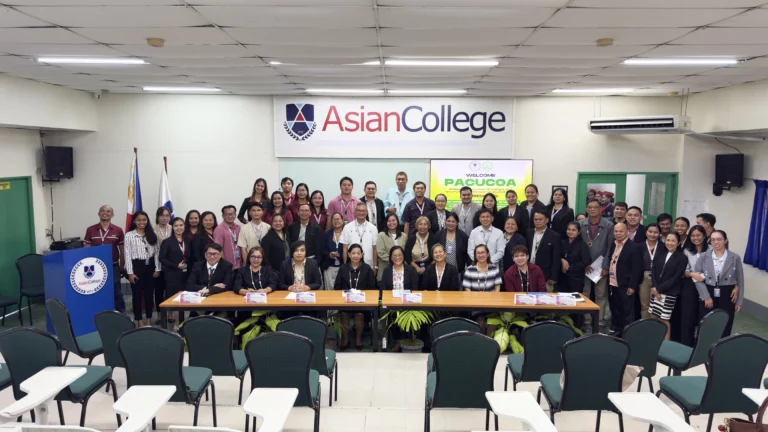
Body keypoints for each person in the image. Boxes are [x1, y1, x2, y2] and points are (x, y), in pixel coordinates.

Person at [693, 230, 744, 337]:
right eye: (713, 240)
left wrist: (739, 301)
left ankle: (722, 344)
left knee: (726, 321)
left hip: (728, 293)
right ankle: (704, 344)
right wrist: (706, 297)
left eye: (719, 239)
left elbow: (740, 279)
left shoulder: (735, 257)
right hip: (708, 291)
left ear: (725, 240)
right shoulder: (704, 256)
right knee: (706, 322)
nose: (716, 242)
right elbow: (697, 278)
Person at [334, 243, 377, 350]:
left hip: (362, 303)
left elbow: (372, 287)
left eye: (358, 253)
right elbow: (337, 287)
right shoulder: (343, 268)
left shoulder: (367, 268)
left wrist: (361, 294)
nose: (356, 256)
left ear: (362, 255)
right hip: (345, 302)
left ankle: (358, 339)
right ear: (348, 254)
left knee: (359, 315)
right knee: (344, 314)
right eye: (353, 253)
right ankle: (345, 340)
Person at [83, 205, 126, 313]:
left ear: (112, 214)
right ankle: (99, 314)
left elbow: (122, 250)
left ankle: (121, 314)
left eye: (108, 211)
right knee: (98, 290)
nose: (105, 213)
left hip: (113, 266)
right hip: (95, 267)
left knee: (116, 292)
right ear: (98, 213)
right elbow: (87, 249)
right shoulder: (90, 229)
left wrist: (122, 266)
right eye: (103, 211)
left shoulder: (118, 230)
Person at [579, 199, 614, 330]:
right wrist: (583, 263)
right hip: (585, 266)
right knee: (585, 293)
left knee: (600, 294)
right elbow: (578, 245)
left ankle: (599, 320)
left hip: (600, 266)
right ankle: (587, 319)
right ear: (586, 209)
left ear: (600, 209)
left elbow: (610, 247)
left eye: (595, 207)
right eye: (590, 207)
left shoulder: (609, 225)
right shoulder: (581, 224)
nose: (592, 209)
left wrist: (605, 266)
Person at [603, 223, 643, 337]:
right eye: (616, 231)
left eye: (621, 231)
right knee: (615, 309)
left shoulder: (633, 247)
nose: (618, 233)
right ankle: (617, 331)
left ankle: (627, 335)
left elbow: (637, 269)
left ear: (627, 232)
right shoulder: (613, 244)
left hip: (625, 284)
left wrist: (632, 286)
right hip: (612, 282)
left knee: (627, 311)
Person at [124, 210, 161, 326]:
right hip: (136, 267)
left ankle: (148, 320)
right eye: (139, 220)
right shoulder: (129, 235)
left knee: (149, 295)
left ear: (147, 221)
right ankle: (139, 321)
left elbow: (157, 253)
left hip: (150, 267)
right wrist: (130, 273)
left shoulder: (153, 234)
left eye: (144, 220)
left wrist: (157, 269)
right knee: (137, 296)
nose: (142, 222)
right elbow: (127, 255)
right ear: (134, 221)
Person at [380, 245, 419, 352]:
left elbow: (415, 288)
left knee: (408, 314)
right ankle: (398, 341)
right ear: (391, 257)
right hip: (391, 304)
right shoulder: (387, 271)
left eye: (399, 255)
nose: (397, 257)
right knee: (390, 315)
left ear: (403, 256)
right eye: (394, 255)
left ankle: (406, 339)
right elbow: (383, 288)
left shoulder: (411, 270)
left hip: (408, 303)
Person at [650, 232, 688, 340]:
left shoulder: (682, 257)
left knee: (664, 318)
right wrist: (655, 287)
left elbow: (676, 277)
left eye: (673, 241)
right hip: (655, 290)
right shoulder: (660, 254)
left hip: (669, 292)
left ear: (678, 243)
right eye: (668, 240)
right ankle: (656, 339)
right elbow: (654, 271)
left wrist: (658, 289)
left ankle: (666, 343)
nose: (670, 243)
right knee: (654, 316)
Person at [678, 225, 709, 346]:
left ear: (704, 236)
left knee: (704, 317)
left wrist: (703, 276)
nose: (696, 238)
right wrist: (692, 274)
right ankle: (686, 345)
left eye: (698, 235)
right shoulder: (686, 251)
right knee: (688, 317)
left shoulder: (711, 250)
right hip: (689, 286)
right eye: (693, 235)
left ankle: (701, 345)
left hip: (707, 286)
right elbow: (683, 272)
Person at [463, 244, 503, 333]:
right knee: (480, 322)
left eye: (483, 252)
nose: (480, 255)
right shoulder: (470, 270)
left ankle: (488, 340)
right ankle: (481, 340)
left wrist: (493, 300)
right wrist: (475, 300)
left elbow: (497, 287)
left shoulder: (494, 269)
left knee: (493, 323)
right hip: (475, 304)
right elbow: (467, 289)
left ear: (487, 254)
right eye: (478, 253)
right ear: (475, 255)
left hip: (491, 304)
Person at [159, 217, 190, 326]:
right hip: (172, 275)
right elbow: (162, 258)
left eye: (181, 225)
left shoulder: (188, 241)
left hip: (185, 275)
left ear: (184, 226)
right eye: (176, 226)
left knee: (184, 299)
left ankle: (182, 323)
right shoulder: (167, 242)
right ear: (172, 227)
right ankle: (177, 324)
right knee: (176, 300)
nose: (179, 228)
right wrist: (176, 266)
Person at [527, 210, 562, 291]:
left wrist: (553, 276)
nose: (537, 221)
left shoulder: (555, 236)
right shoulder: (529, 233)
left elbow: (556, 258)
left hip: (546, 275)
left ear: (547, 220)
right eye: (535, 219)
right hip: (529, 272)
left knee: (545, 297)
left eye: (540, 219)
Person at [340, 203, 378, 271]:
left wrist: (375, 267)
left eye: (363, 211)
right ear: (355, 212)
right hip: (351, 266)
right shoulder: (347, 227)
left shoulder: (373, 228)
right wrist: (345, 266)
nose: (361, 213)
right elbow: (345, 248)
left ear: (367, 212)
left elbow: (375, 248)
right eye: (359, 210)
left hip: (369, 265)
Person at [153, 206, 172, 323]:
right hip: (158, 264)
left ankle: (170, 313)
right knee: (159, 291)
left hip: (171, 265)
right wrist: (157, 268)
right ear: (158, 217)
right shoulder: (152, 230)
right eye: (162, 215)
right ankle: (160, 315)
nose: (165, 218)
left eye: (167, 215)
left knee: (170, 290)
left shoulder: (173, 228)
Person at [559, 222, 591, 293]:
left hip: (576, 278)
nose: (570, 232)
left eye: (573, 230)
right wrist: (561, 260)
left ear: (578, 232)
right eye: (569, 229)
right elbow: (557, 255)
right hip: (562, 277)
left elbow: (586, 261)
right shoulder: (562, 242)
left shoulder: (582, 245)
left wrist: (569, 267)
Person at [639, 223, 661, 320]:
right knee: (644, 304)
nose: (652, 234)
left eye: (656, 232)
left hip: (659, 278)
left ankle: (655, 325)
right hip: (643, 277)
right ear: (646, 232)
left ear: (659, 234)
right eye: (650, 232)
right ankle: (645, 323)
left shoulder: (663, 247)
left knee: (656, 304)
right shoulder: (639, 246)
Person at [376, 213, 407, 280]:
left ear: (397, 221)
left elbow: (405, 252)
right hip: (385, 269)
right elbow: (381, 253)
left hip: (401, 270)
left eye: (393, 220)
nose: (391, 223)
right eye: (389, 221)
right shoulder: (381, 235)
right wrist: (395, 260)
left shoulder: (404, 236)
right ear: (386, 223)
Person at [213, 205, 241, 270]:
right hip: (227, 266)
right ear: (223, 216)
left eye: (232, 214)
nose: (230, 216)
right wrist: (224, 265)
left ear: (235, 215)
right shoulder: (219, 229)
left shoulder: (238, 227)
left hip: (239, 265)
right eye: (227, 214)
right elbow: (218, 249)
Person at [321, 213, 345, 290]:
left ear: (342, 221)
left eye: (338, 219)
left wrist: (341, 255)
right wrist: (329, 254)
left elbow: (350, 250)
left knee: (342, 289)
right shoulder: (326, 234)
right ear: (331, 222)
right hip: (329, 266)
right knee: (329, 290)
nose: (336, 221)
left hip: (342, 266)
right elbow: (321, 250)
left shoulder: (346, 233)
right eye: (334, 219)